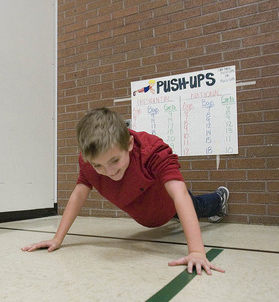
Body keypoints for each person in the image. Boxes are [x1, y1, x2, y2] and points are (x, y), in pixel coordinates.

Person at [22, 108, 228, 275]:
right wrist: (57, 238)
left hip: (171, 203)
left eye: (114, 161)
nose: (109, 172)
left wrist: (196, 251)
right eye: (99, 166)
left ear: (129, 144)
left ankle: (220, 198)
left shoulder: (152, 151)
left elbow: (179, 194)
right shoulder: (87, 162)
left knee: (196, 207)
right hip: (148, 216)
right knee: (178, 217)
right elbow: (78, 194)